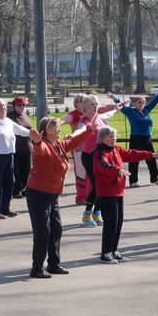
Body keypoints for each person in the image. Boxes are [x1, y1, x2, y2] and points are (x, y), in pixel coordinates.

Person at [24, 117, 92, 278]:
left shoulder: (59, 145)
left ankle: (54, 264)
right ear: (47, 130)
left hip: (52, 194)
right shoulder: (44, 145)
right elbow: (40, 151)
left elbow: (74, 142)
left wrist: (91, 130)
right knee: (42, 231)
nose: (59, 126)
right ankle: (37, 268)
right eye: (54, 124)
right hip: (38, 194)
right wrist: (37, 143)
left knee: (56, 229)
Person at [93, 126, 158, 263]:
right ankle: (105, 253)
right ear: (102, 138)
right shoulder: (100, 152)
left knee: (118, 222)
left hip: (118, 192)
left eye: (115, 136)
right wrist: (117, 170)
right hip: (106, 193)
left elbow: (133, 154)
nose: (114, 139)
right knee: (111, 223)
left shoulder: (116, 150)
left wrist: (152, 155)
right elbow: (103, 165)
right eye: (110, 136)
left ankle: (113, 250)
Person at [74, 93, 124, 227]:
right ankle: (87, 213)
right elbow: (80, 131)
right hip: (89, 157)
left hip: (101, 155)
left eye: (96, 104)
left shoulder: (100, 117)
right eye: (92, 105)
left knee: (103, 185)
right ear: (85, 108)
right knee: (97, 185)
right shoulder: (85, 121)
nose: (95, 107)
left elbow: (110, 114)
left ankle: (96, 213)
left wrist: (118, 106)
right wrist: (72, 136)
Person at [119, 88, 158, 186]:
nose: (141, 104)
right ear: (135, 103)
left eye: (143, 102)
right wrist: (114, 98)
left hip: (147, 138)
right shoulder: (130, 111)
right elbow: (120, 105)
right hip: (136, 138)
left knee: (151, 159)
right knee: (134, 159)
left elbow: (155, 101)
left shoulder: (146, 111)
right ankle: (133, 181)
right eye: (139, 102)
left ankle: (154, 179)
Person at [8, 97, 33, 199]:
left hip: (27, 148)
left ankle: (23, 189)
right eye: (19, 105)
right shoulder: (10, 116)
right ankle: (16, 190)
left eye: (23, 105)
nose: (22, 107)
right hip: (16, 148)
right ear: (14, 106)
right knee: (16, 171)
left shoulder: (25, 115)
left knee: (26, 171)